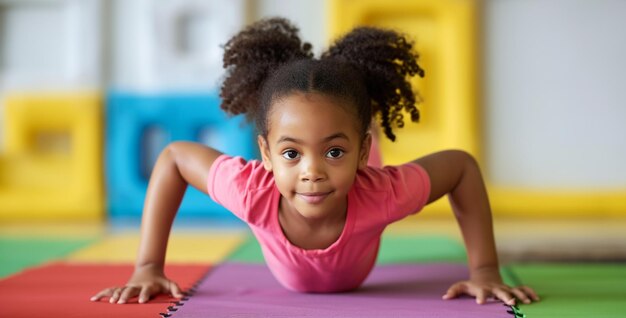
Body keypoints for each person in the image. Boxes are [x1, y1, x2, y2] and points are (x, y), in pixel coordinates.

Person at [91, 17, 539, 306]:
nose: (311, 170)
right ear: (265, 154)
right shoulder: (251, 190)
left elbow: (461, 166)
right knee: (322, 147)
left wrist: (484, 269)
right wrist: (148, 265)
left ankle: (358, 137)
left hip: (360, 172)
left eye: (333, 152)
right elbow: (172, 158)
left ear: (360, 152)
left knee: (343, 154)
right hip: (342, 163)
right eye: (290, 153)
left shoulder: (383, 192)